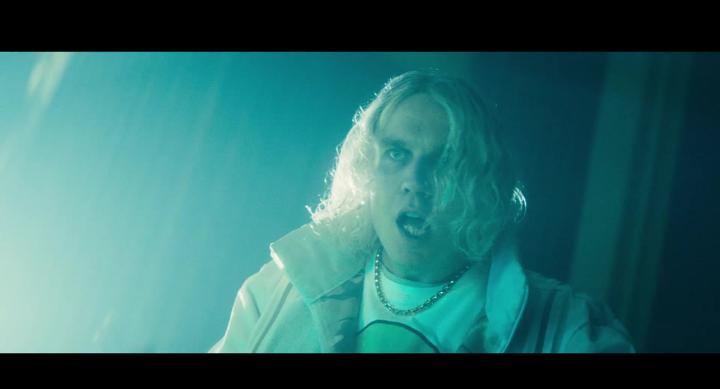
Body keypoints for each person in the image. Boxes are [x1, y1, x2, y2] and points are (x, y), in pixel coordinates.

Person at [210, 70, 635, 353]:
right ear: (367, 166)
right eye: (397, 153)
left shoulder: (567, 329)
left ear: (483, 183)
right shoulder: (279, 290)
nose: (415, 180)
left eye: (444, 161)